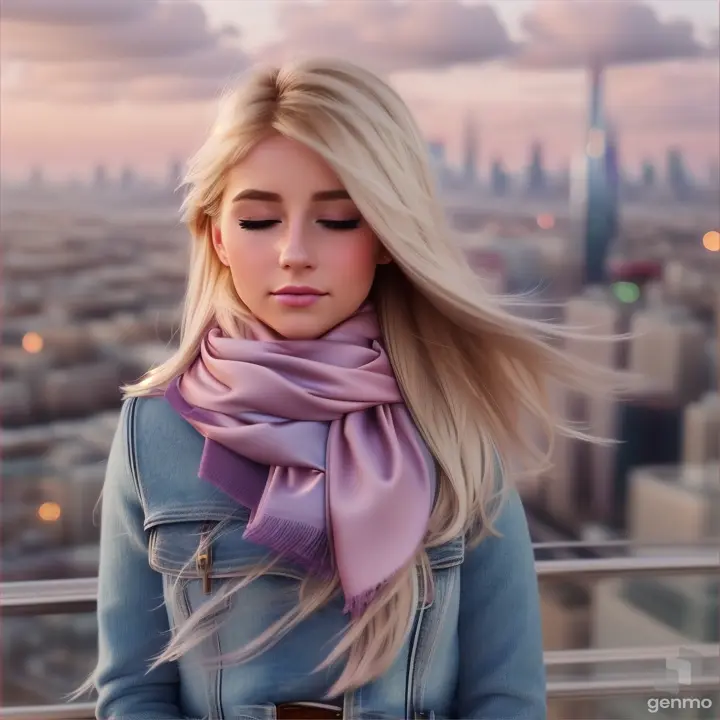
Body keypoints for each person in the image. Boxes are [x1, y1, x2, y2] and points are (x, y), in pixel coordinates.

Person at [78, 57, 611, 720]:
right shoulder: (155, 430)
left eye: (338, 220)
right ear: (215, 234)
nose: (294, 252)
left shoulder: (451, 422)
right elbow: (133, 691)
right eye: (258, 221)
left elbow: (505, 695)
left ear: (387, 235)